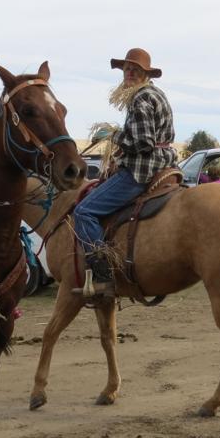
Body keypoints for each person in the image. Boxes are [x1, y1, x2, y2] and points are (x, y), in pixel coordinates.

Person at [71, 47, 179, 298]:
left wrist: (113, 135)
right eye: (127, 69)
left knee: (83, 211)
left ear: (146, 73)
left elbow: (143, 143)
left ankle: (103, 277)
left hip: (141, 171)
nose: (129, 73)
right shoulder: (156, 94)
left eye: (135, 70)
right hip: (163, 164)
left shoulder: (140, 98)